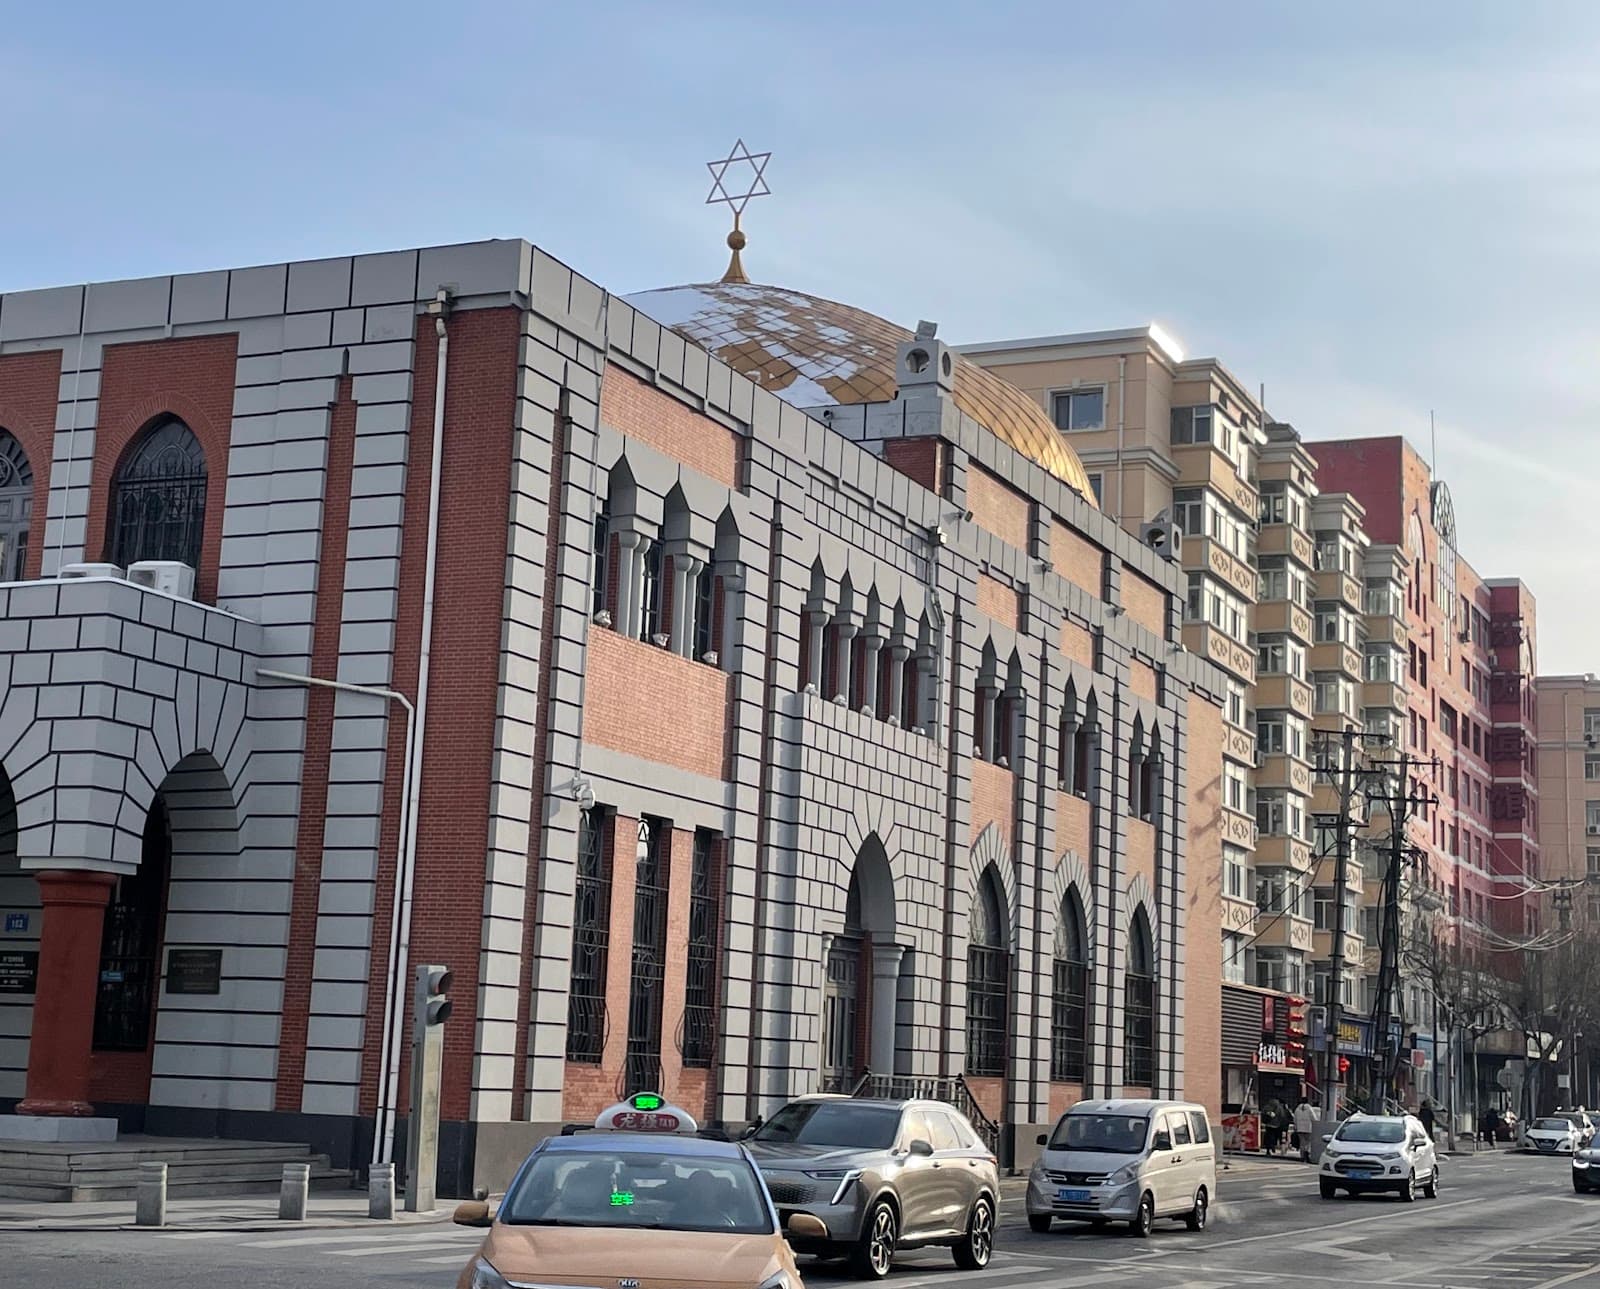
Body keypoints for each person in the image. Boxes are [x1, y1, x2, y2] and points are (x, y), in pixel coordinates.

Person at [1293, 1097, 1317, 1162]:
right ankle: (1307, 1153)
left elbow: (1294, 1120)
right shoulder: (1310, 1109)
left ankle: (1302, 1156)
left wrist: (1296, 1127)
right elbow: (1314, 1118)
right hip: (1308, 1128)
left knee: (1302, 1142)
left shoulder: (1297, 1109)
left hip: (1299, 1128)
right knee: (1308, 1142)